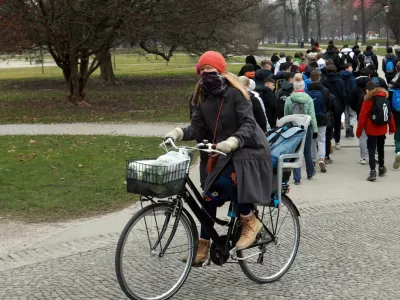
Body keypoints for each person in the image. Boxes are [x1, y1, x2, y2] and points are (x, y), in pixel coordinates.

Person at [165, 51, 272, 265]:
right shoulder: (201, 95)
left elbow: (249, 125)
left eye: (210, 69)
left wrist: (233, 141)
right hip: (223, 153)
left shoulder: (236, 93)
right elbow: (198, 127)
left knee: (229, 181)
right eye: (202, 69)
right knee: (209, 197)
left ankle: (249, 220)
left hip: (249, 149)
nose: (206, 73)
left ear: (220, 70)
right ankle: (203, 246)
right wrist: (178, 133)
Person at [356, 82, 395, 181]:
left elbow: (362, 117)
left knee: (372, 150)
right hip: (382, 129)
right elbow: (390, 115)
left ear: (367, 91)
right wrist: (392, 128)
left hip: (371, 129)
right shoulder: (385, 99)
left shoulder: (368, 101)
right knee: (381, 148)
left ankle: (373, 171)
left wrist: (359, 131)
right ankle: (381, 167)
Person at [284, 73, 318, 185]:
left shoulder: (289, 99)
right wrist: (315, 129)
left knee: (296, 151)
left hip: (294, 128)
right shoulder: (308, 99)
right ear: (303, 86)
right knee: (307, 151)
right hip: (306, 127)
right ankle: (310, 172)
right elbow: (312, 115)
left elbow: (286, 116)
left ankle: (297, 178)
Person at [306, 70, 331, 173]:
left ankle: (312, 160)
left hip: (310, 119)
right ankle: (322, 158)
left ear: (310, 79)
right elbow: (329, 105)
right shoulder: (325, 91)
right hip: (322, 118)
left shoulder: (306, 91)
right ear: (320, 78)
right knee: (321, 139)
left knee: (312, 139)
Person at [349, 68, 371, 165]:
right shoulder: (372, 88)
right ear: (369, 76)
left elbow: (351, 102)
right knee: (372, 135)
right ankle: (374, 155)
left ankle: (363, 157)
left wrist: (357, 110)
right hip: (371, 115)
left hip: (360, 114)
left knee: (362, 136)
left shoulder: (355, 89)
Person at [325, 65, 347, 150]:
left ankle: (329, 141)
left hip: (328, 106)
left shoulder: (324, 81)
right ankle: (337, 142)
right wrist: (343, 107)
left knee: (328, 124)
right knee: (337, 124)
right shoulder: (340, 81)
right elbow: (343, 95)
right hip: (338, 105)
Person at [340, 63, 357, 138]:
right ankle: (351, 126)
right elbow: (354, 88)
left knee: (346, 115)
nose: (352, 69)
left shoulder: (340, 76)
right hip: (351, 98)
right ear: (346, 69)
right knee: (353, 114)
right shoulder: (351, 77)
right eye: (350, 67)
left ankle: (347, 131)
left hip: (343, 98)